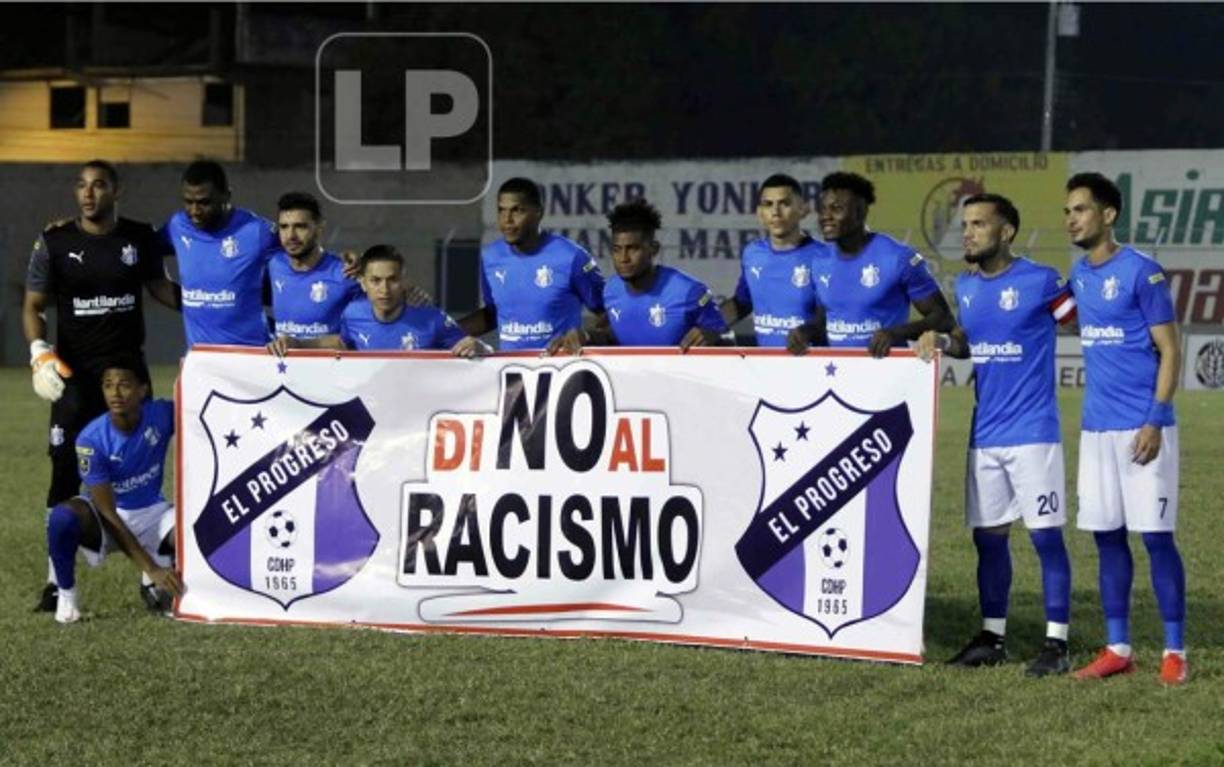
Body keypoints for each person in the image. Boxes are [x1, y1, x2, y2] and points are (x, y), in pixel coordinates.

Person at [916, 193, 1077, 677]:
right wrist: (943, 340)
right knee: (989, 541)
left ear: (1006, 231)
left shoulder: (1043, 281)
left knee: (1045, 539)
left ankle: (1056, 644)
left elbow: (1082, 322)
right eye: (965, 223)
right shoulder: (966, 286)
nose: (967, 232)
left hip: (1033, 434)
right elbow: (968, 342)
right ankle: (992, 636)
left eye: (979, 224)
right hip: (984, 434)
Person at [23, 159, 180, 612]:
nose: (88, 194)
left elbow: (162, 289)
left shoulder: (138, 237)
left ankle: (153, 576)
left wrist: (216, 307)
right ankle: (56, 584)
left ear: (117, 190)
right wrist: (38, 352)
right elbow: (34, 304)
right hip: (75, 381)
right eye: (81, 186)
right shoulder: (54, 241)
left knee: (142, 472)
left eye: (98, 185)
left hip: (129, 375)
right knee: (64, 473)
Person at [1062, 173, 1186, 685]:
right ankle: (1118, 647)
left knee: (1156, 539)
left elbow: (1172, 350)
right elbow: (1060, 315)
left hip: (1143, 429)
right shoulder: (1078, 274)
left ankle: (1175, 651)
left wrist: (1155, 420)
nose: (1071, 219)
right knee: (1106, 538)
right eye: (1067, 211)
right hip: (1096, 431)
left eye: (1081, 209)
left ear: (1108, 215)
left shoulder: (1142, 271)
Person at [46, 360, 183, 623]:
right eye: (108, 385)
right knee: (62, 517)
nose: (115, 393)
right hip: (108, 520)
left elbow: (202, 411)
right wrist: (151, 567)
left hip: (154, 514)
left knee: (198, 525)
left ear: (142, 390)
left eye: (124, 385)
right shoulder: (91, 438)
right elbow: (107, 511)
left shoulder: (162, 414)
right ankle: (67, 597)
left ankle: (159, 586)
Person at [788, 171, 953, 356]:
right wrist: (806, 331)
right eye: (823, 209)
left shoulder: (899, 257)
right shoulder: (819, 260)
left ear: (860, 212)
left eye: (836, 208)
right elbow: (826, 318)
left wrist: (895, 333)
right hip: (837, 377)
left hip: (886, 378)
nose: (825, 216)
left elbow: (943, 319)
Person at [457, 177, 605, 352]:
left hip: (559, 372)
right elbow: (494, 312)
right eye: (501, 211)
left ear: (538, 213)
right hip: (511, 373)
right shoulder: (491, 257)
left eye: (517, 211)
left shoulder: (572, 257)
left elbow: (608, 314)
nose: (507, 220)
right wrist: (443, 333)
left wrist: (586, 336)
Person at [564, 198, 727, 349]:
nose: (623, 258)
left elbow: (728, 339)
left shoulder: (690, 292)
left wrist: (713, 335)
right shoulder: (610, 290)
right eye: (617, 250)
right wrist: (586, 336)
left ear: (653, 249)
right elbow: (618, 338)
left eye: (632, 248)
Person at [268, 245, 484, 356]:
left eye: (392, 280)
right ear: (363, 283)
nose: (384, 289)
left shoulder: (432, 319)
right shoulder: (353, 314)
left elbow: (473, 350)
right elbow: (343, 343)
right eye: (376, 280)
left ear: (404, 280)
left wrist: (480, 347)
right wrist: (297, 343)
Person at [161, 160, 281, 347]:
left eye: (204, 202)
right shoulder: (178, 226)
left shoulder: (257, 231)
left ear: (227, 196)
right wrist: (187, 303)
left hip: (253, 356)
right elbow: (146, 256)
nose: (194, 211)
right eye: (188, 202)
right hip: (203, 360)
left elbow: (303, 264)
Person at [719, 173, 828, 347]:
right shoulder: (752, 254)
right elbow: (742, 303)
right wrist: (704, 324)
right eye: (768, 205)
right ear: (760, 213)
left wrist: (809, 331)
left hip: (812, 367)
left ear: (803, 210)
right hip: (767, 367)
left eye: (784, 203)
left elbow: (838, 315)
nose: (775, 212)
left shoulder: (824, 257)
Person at [267, 192, 362, 341]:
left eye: (300, 226)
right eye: (284, 227)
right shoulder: (273, 264)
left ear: (319, 227)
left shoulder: (345, 273)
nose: (291, 235)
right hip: (283, 365)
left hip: (330, 364)